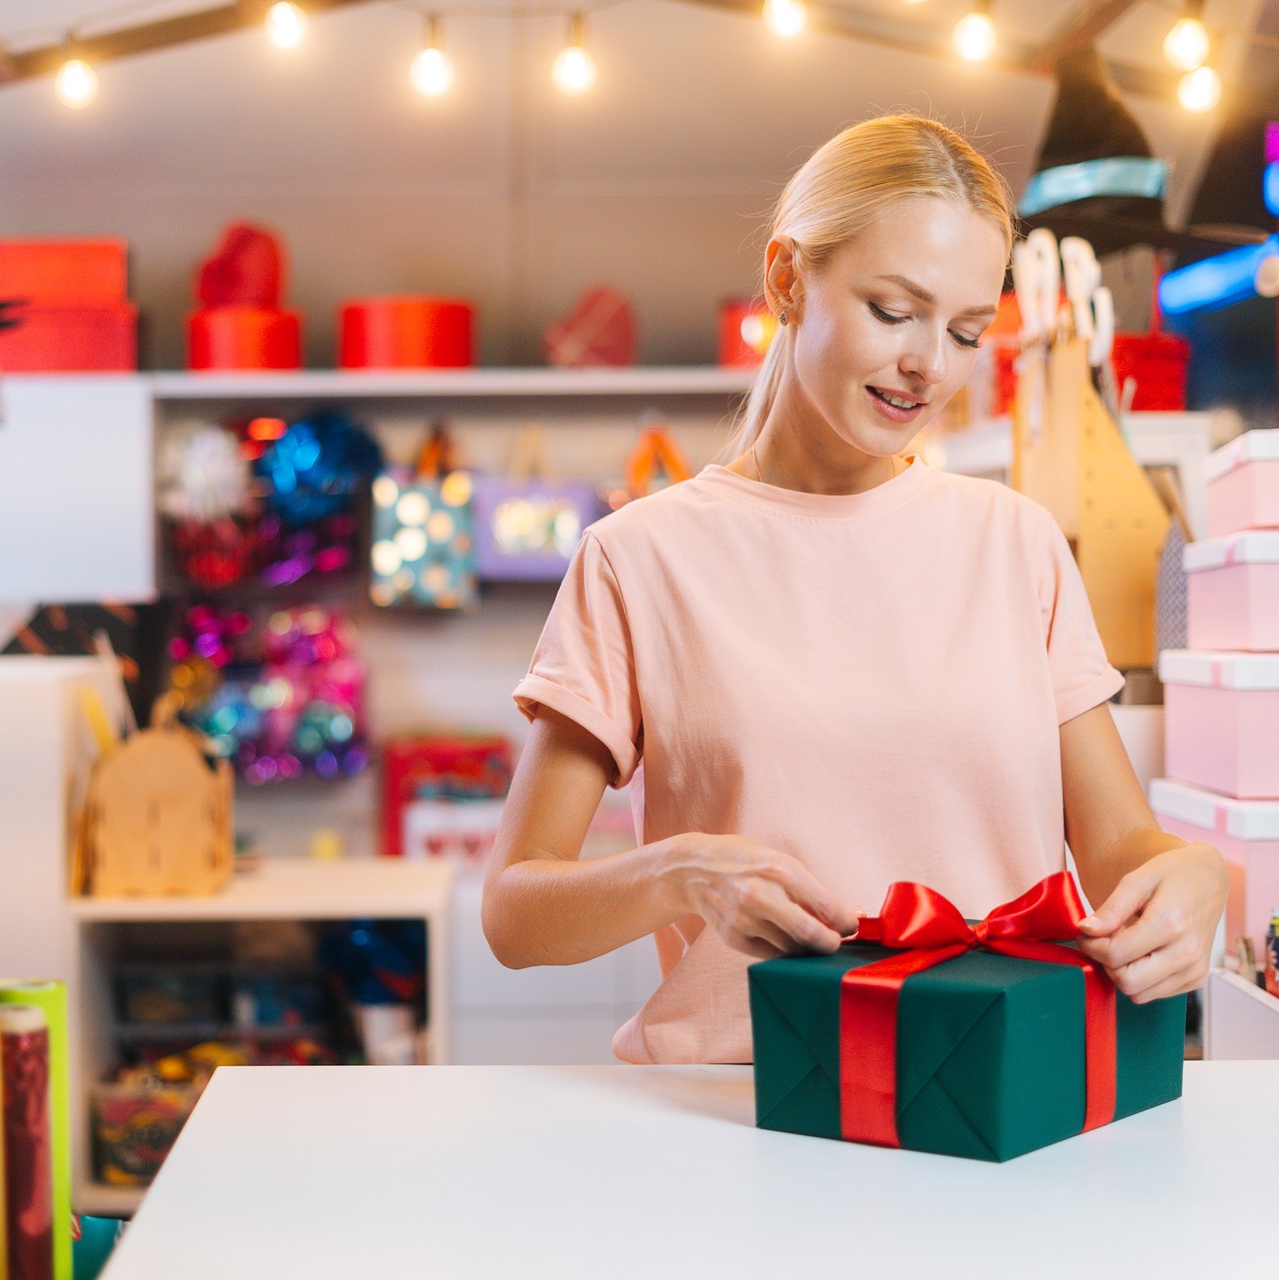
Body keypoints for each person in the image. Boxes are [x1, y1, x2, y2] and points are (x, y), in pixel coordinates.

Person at [481, 113, 1228, 1066]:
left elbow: (1121, 844)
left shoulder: (1017, 546)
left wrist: (1194, 877)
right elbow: (515, 913)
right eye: (893, 311)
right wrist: (678, 872)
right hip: (741, 1115)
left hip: (991, 1102)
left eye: (965, 331)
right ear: (788, 279)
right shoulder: (640, 559)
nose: (930, 365)